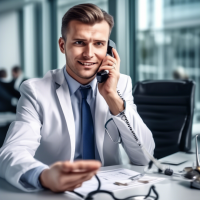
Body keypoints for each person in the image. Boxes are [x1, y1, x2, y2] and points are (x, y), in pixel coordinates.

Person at [0, 3, 155, 193]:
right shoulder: (35, 91)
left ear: (109, 48)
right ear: (63, 45)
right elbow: (11, 153)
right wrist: (44, 176)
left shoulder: (120, 85)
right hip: (57, 194)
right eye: (79, 42)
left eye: (99, 43)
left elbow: (145, 157)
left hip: (111, 192)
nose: (89, 54)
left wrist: (112, 97)